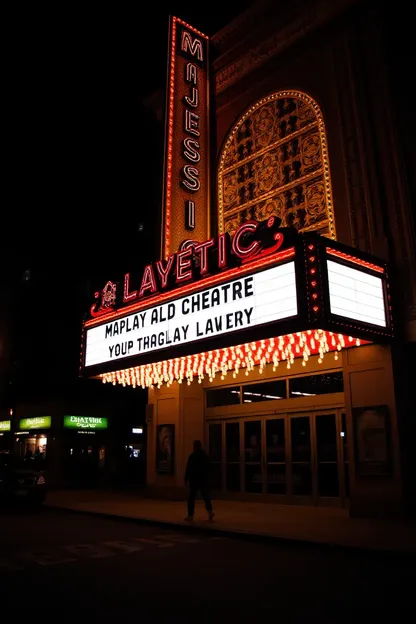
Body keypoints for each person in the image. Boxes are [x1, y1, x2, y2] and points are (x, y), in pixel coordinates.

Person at [184, 440, 214, 522]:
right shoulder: (204, 456)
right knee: (205, 496)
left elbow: (188, 468)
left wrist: (186, 478)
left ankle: (190, 515)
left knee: (191, 498)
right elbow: (208, 468)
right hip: (202, 480)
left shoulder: (192, 456)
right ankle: (210, 512)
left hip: (194, 480)